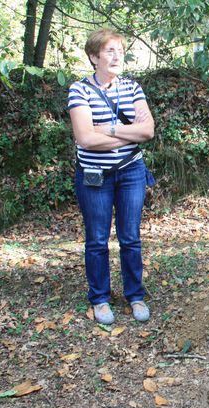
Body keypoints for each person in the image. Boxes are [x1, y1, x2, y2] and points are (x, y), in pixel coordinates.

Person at [67, 28, 155, 324]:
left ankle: (135, 295)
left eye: (120, 50)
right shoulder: (79, 90)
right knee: (97, 239)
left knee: (130, 237)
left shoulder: (132, 88)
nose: (117, 56)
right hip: (94, 175)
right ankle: (100, 299)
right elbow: (86, 140)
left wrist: (109, 130)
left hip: (131, 172)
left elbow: (148, 131)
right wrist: (129, 137)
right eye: (109, 51)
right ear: (94, 57)